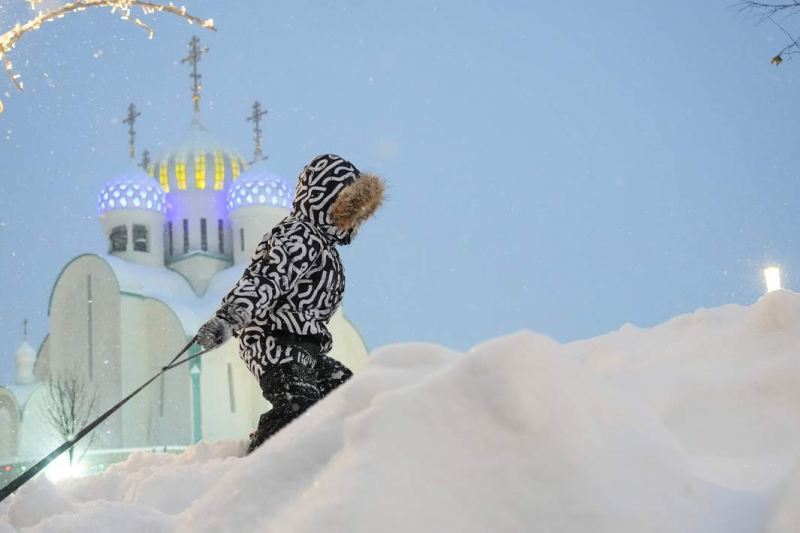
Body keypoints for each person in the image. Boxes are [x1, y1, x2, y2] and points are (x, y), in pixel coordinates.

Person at [196, 154, 385, 453]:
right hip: (273, 340)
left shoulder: (327, 250)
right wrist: (228, 319)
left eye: (354, 215)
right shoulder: (298, 235)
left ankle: (349, 461)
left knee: (350, 398)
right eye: (346, 210)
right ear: (324, 200)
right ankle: (261, 462)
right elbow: (265, 280)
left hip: (307, 347)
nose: (349, 221)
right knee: (297, 408)